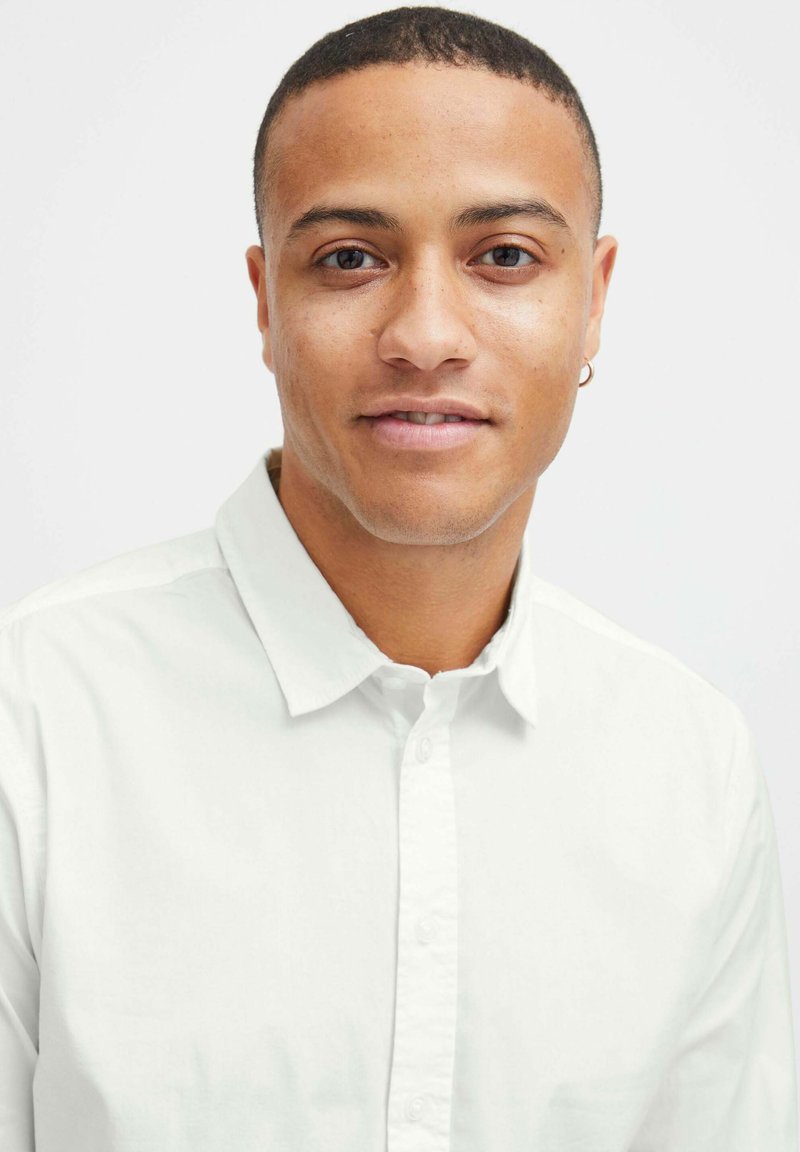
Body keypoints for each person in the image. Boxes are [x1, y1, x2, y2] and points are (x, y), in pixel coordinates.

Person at [0, 5, 796, 1149]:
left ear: (593, 301)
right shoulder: (33, 717)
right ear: (265, 301)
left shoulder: (688, 765)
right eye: (349, 259)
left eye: (504, 256)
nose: (424, 335)